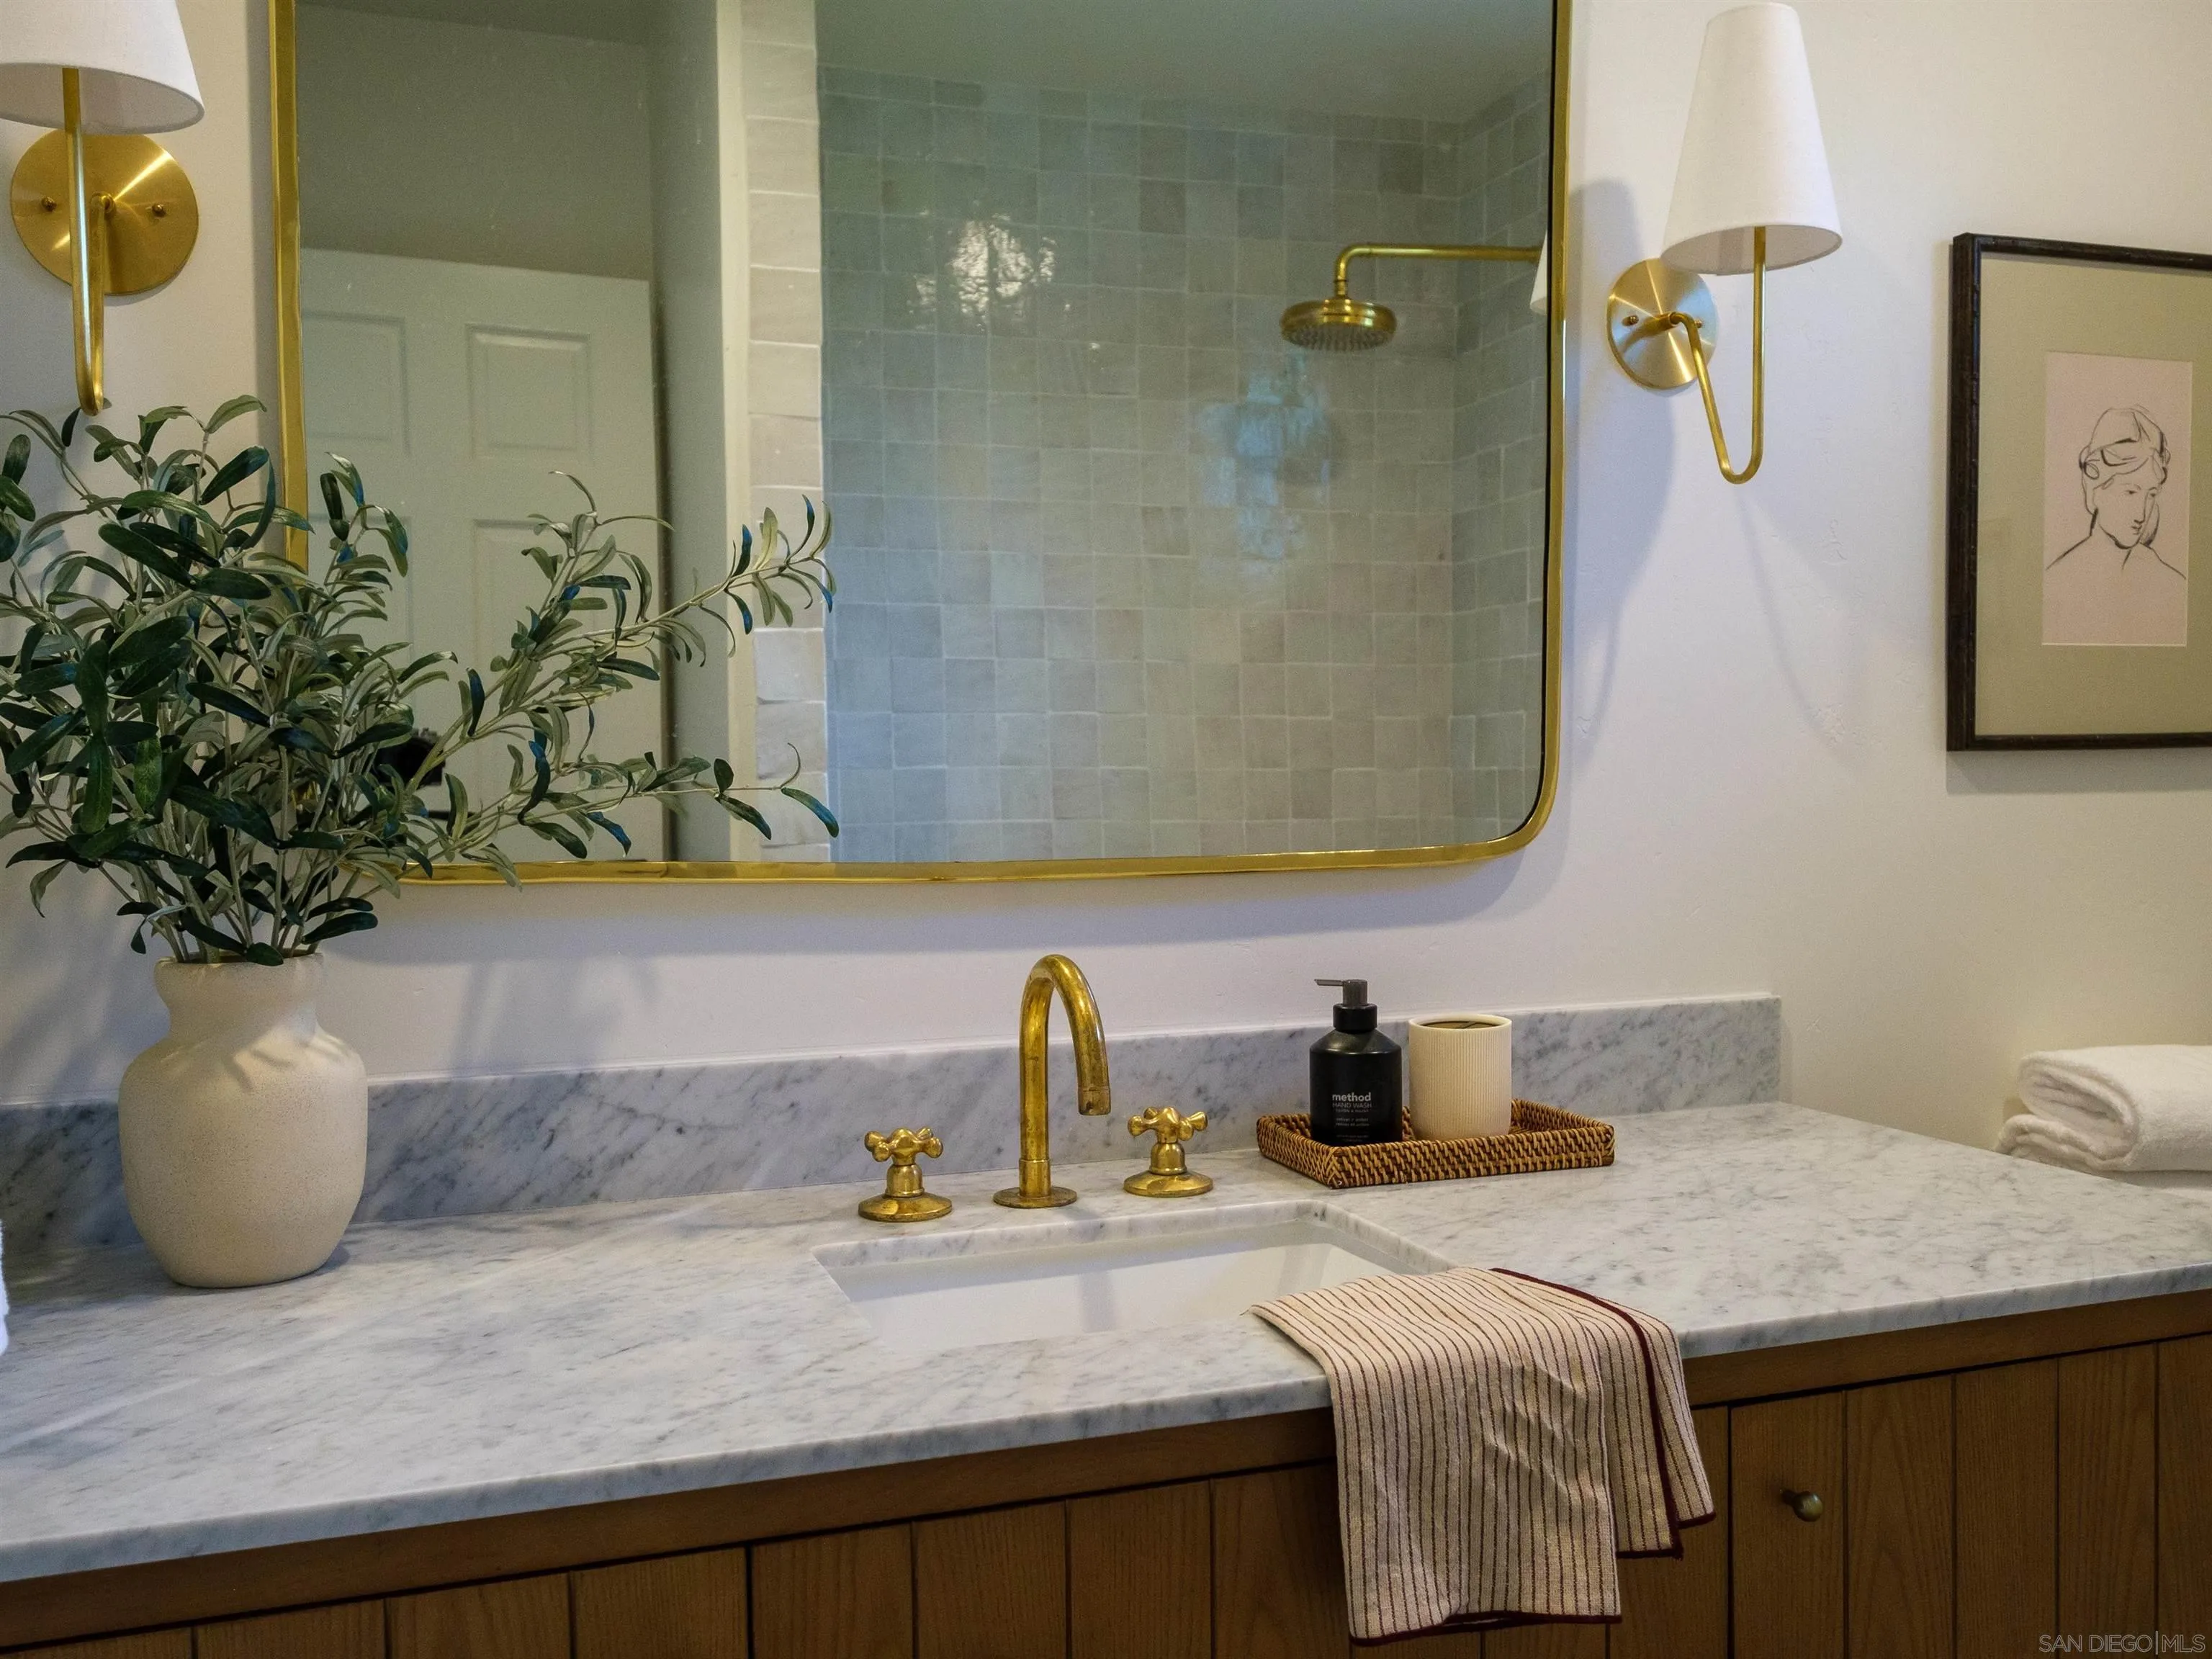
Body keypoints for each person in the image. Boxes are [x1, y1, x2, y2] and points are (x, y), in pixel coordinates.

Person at [2044, 405, 2186, 646]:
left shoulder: (2172, 583)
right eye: (2130, 491)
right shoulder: (2057, 582)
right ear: (2095, 489)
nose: (2142, 513)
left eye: (2151, 495)